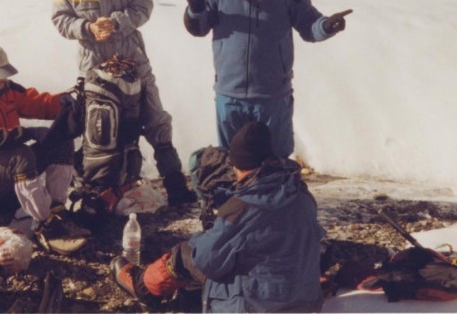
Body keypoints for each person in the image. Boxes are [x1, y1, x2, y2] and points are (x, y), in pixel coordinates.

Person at [51, 0, 196, 205]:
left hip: (132, 59)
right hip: (93, 64)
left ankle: (175, 185)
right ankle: (103, 192)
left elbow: (144, 6)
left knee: (155, 119)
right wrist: (87, 28)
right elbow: (60, 20)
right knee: (100, 128)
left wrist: (117, 23)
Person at [111, 121, 326, 312]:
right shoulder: (300, 194)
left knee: (185, 255)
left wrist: (203, 237)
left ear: (237, 165)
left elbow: (206, 260)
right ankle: (190, 300)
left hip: (259, 305)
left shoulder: (243, 206)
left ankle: (143, 287)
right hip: (303, 299)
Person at [184, 0, 351, 159]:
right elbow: (197, 28)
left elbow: (309, 24)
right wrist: (195, 9)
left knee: (277, 159)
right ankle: (236, 198)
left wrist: (327, 26)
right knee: (233, 161)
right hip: (229, 95)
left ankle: (279, 196)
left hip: (273, 95)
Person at [0, 43, 88, 254]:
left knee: (62, 139)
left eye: (5, 73)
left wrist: (66, 101)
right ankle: (45, 226)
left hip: (6, 177)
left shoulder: (7, 90)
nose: (3, 80)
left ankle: (56, 212)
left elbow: (40, 103)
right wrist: (29, 133)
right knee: (20, 155)